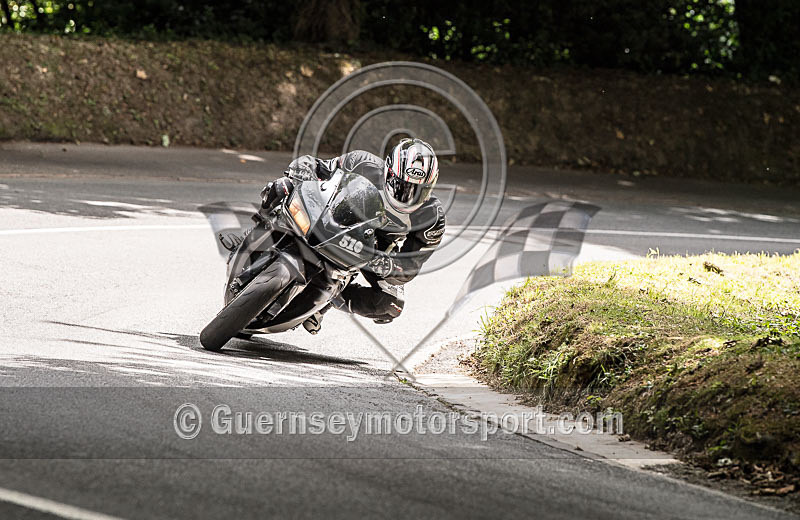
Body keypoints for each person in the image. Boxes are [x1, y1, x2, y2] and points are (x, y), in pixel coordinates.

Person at [258, 138, 445, 334]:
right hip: (337, 215)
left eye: (418, 191)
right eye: (402, 186)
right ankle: (258, 234)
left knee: (390, 305)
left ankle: (329, 299)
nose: (408, 196)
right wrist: (301, 170)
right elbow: (319, 166)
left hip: (375, 251)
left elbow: (411, 265)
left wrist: (389, 265)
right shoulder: (363, 162)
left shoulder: (432, 217)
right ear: (388, 171)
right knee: (282, 187)